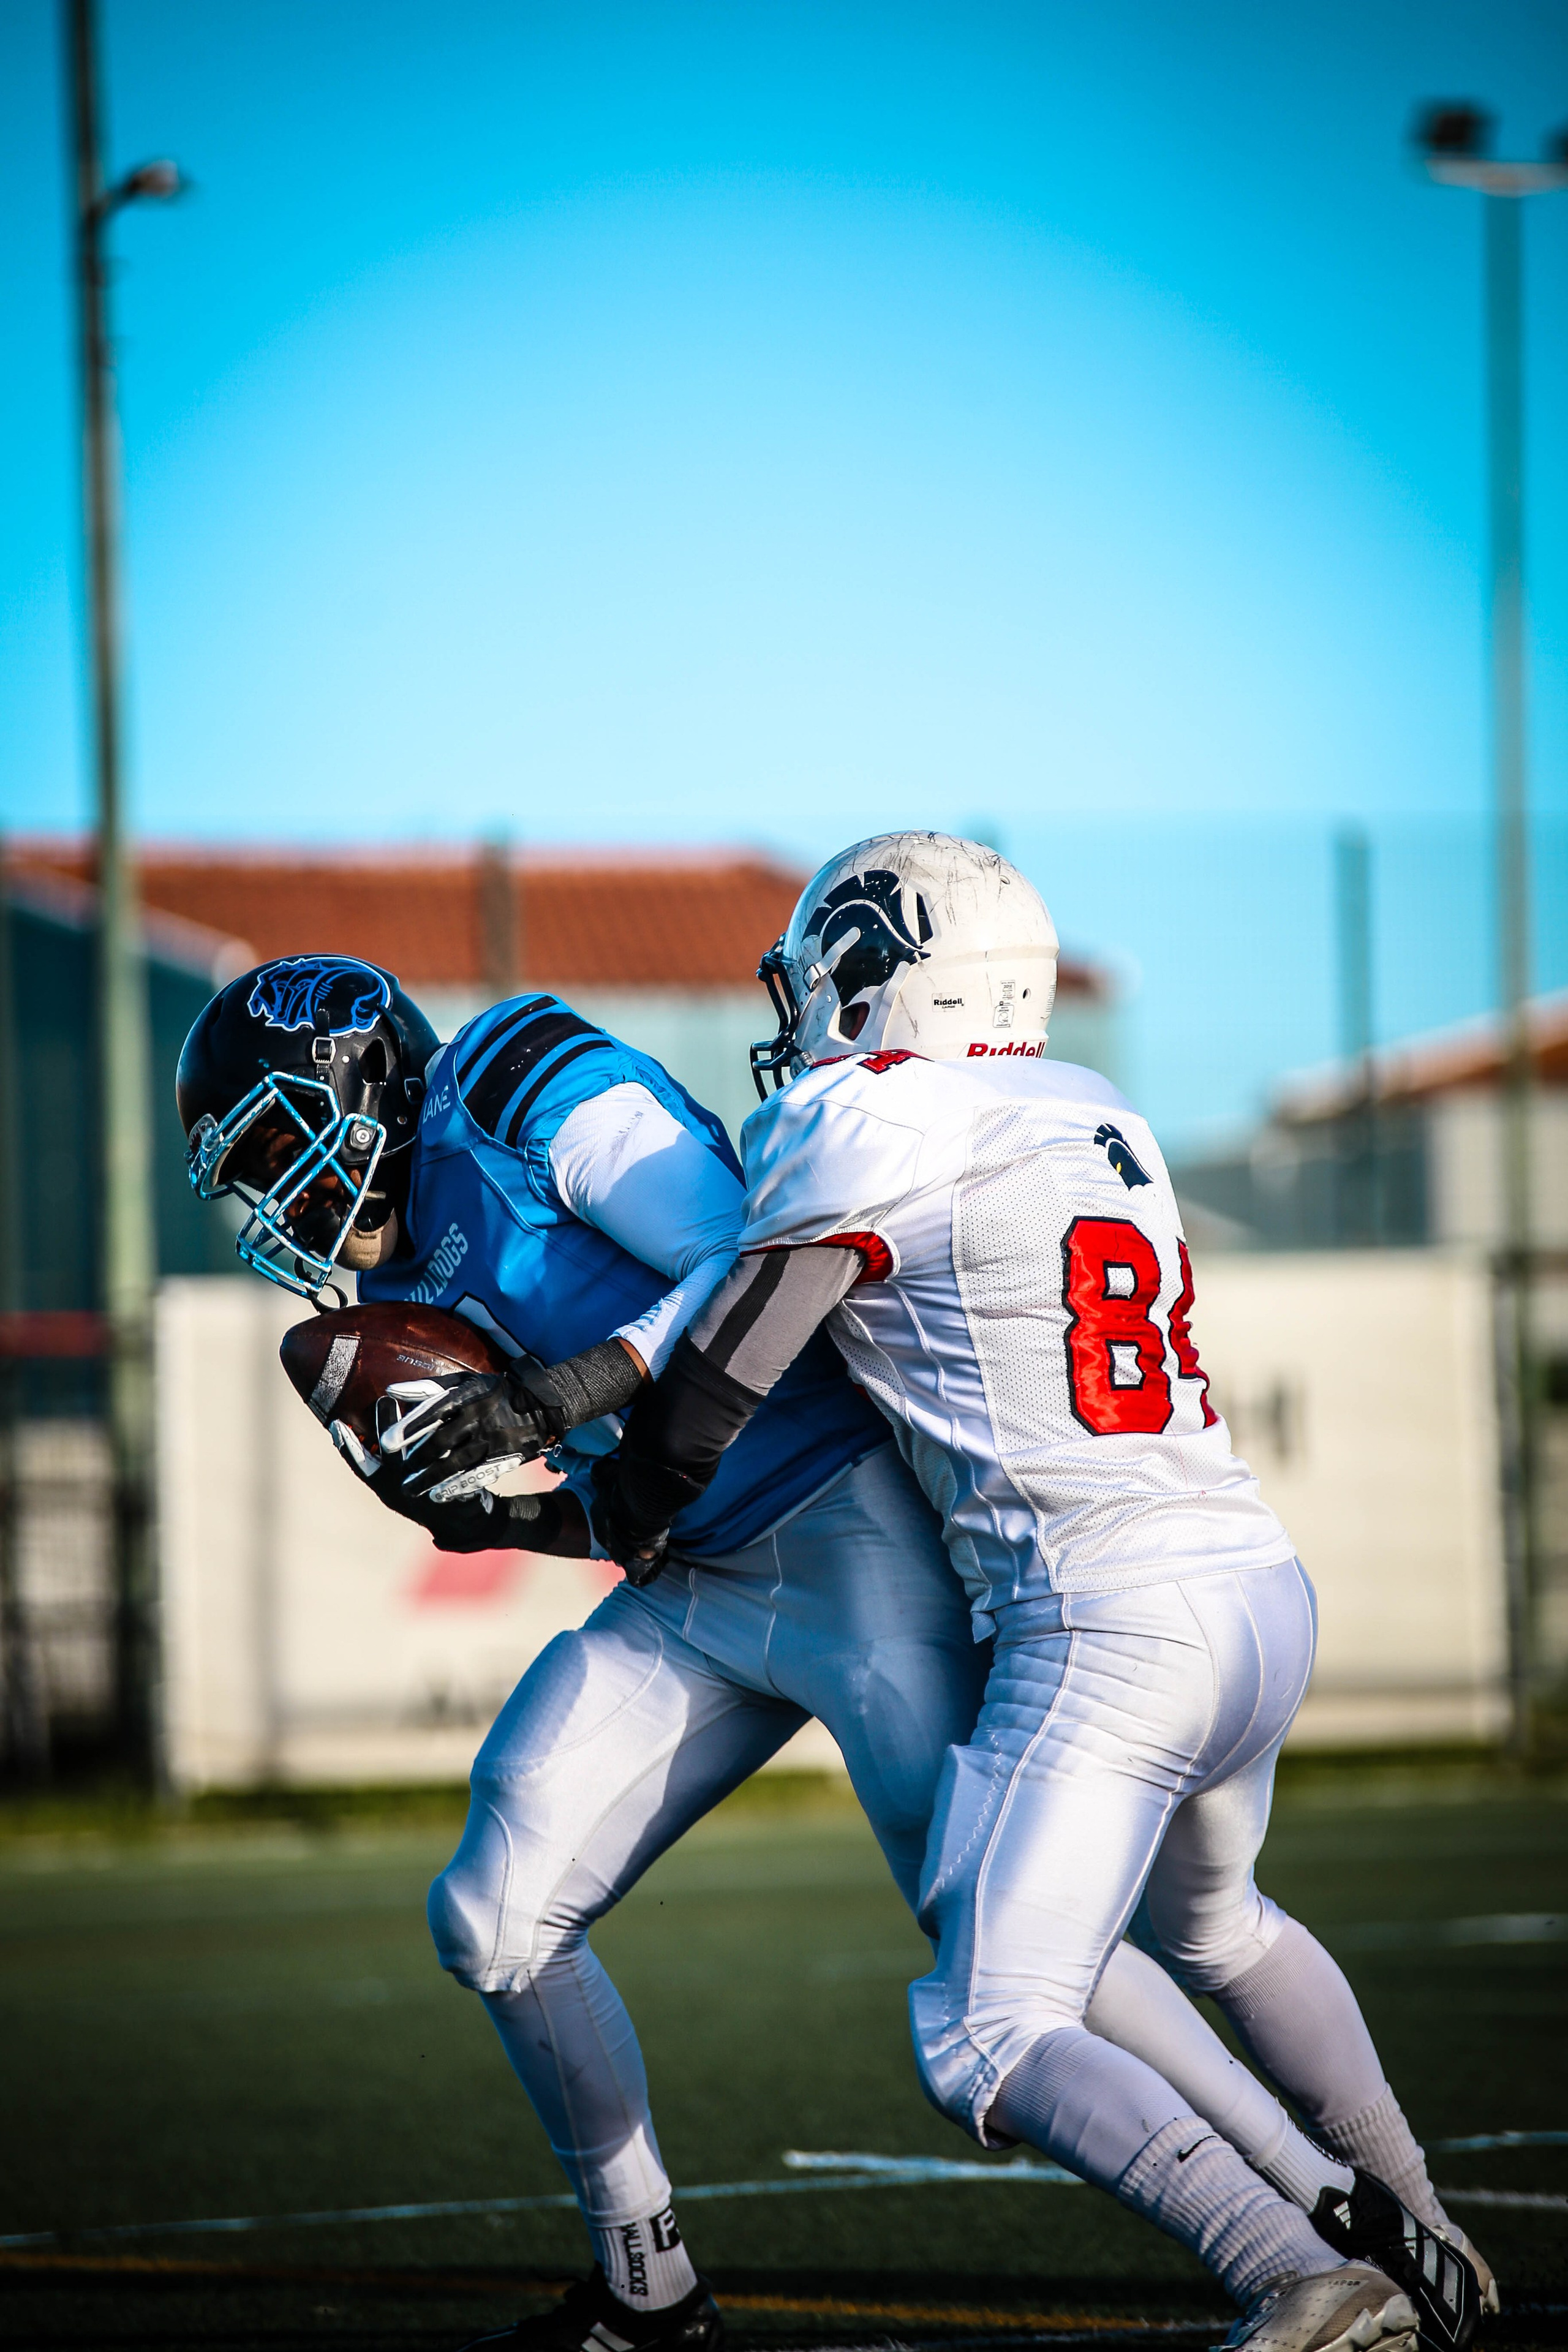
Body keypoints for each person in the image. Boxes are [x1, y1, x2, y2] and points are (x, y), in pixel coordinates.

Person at [589, 837, 1494, 2352]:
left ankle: (1299, 2272)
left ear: (883, 979)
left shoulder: (861, 1116)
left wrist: (598, 1507)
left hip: (1104, 1620)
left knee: (984, 2031)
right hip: (1253, 1589)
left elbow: (715, 1390)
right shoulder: (1091, 1107)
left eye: (827, 973)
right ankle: (1414, 2218)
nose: (806, 1007)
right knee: (1220, 1928)